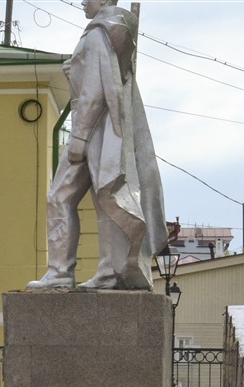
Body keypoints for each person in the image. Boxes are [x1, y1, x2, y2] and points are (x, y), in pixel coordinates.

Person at [27, 0, 168, 291]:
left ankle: (62, 272)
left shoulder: (96, 34)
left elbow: (95, 91)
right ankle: (108, 271)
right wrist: (73, 71)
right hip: (104, 129)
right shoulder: (112, 31)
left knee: (61, 196)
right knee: (106, 201)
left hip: (90, 127)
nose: (82, 2)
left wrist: (78, 138)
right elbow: (103, 80)